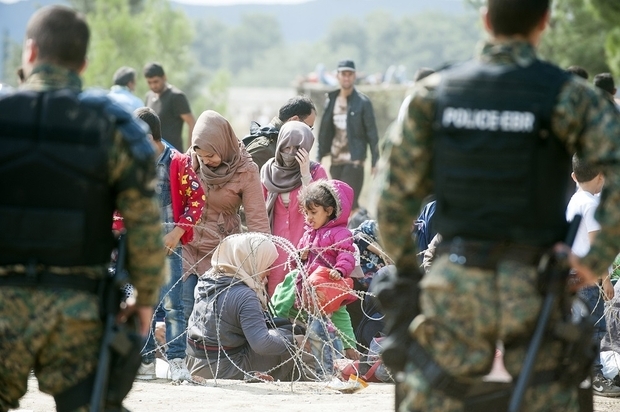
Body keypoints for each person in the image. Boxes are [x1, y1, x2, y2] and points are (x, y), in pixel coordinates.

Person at [376, 0, 620, 411]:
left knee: (438, 392)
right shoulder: (570, 95)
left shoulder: (436, 93)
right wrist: (593, 262)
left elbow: (392, 199)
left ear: (486, 20)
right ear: (544, 21)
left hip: (453, 282)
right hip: (536, 287)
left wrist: (407, 274)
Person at [0, 5, 166, 412]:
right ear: (85, 62)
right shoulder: (112, 126)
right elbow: (145, 223)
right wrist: (145, 298)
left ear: (30, 51)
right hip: (77, 311)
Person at [128, 107, 205, 382]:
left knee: (174, 305)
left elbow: (197, 201)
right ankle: (146, 360)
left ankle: (176, 360)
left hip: (171, 246)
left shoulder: (179, 163)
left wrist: (176, 234)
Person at [182, 110, 270, 324]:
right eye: (201, 157)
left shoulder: (246, 170)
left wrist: (260, 267)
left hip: (219, 254)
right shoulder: (191, 160)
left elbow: (257, 220)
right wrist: (191, 169)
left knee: (208, 318)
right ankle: (181, 358)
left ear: (222, 144)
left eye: (210, 156)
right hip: (186, 245)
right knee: (182, 309)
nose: (206, 161)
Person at [185, 233, 296, 381]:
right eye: (266, 265)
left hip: (194, 363)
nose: (269, 272)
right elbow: (261, 344)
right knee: (286, 339)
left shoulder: (207, 281)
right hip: (227, 369)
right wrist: (296, 342)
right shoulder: (244, 295)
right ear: (252, 262)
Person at [566, 153, 619, 397]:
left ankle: (577, 372)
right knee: (595, 327)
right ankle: (595, 374)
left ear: (574, 176)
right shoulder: (591, 204)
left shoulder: (575, 200)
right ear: (601, 177)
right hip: (589, 278)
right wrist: (606, 279)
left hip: (572, 274)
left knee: (578, 324)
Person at [296, 179, 358, 379]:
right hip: (313, 292)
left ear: (329, 210)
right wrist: (300, 255)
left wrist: (340, 270)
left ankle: (351, 356)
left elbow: (346, 254)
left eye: (313, 213)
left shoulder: (339, 233)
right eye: (306, 213)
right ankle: (326, 367)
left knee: (340, 320)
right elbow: (296, 258)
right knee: (317, 328)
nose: (308, 218)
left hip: (331, 288)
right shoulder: (308, 235)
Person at [261, 121, 327, 296]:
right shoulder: (268, 171)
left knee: (303, 300)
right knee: (275, 303)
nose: (290, 153)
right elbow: (258, 212)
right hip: (275, 250)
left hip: (307, 249)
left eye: (297, 148)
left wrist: (305, 175)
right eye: (286, 147)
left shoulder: (316, 172)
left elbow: (323, 206)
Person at [317, 59, 380, 210]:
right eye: (343, 74)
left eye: (349, 74)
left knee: (347, 205)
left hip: (354, 161)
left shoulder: (363, 102)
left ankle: (351, 232)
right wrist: (319, 156)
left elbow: (372, 133)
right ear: (337, 76)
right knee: (336, 205)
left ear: (354, 76)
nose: (346, 77)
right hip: (336, 160)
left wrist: (375, 161)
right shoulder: (331, 101)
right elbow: (324, 131)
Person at [244, 95, 317, 171]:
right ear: (294, 120)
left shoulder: (279, 142)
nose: (308, 132)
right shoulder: (265, 148)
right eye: (308, 127)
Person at [144, 62, 195, 152]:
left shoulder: (176, 97)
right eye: (149, 82)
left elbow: (191, 123)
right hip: (154, 156)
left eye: (156, 81)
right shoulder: (149, 96)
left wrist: (190, 152)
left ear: (164, 77)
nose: (153, 85)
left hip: (172, 156)